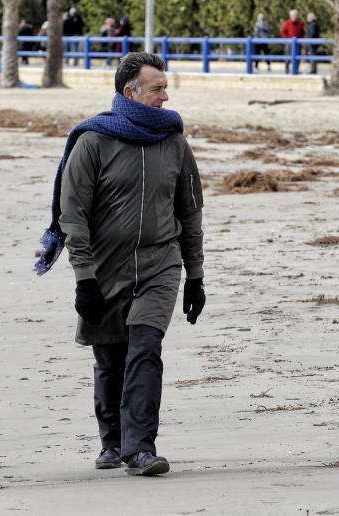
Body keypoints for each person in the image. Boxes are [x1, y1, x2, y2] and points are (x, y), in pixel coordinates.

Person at [34, 52, 206, 476]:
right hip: (103, 267)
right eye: (157, 88)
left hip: (160, 265)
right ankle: (112, 442)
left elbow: (190, 213)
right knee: (110, 359)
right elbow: (72, 215)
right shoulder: (93, 141)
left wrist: (195, 276)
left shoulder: (175, 142)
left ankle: (141, 448)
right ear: (130, 92)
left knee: (145, 349)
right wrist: (83, 279)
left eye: (166, 87)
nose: (166, 96)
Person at [280, 8, 305, 73]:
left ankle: (296, 69)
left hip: (297, 43)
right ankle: (287, 69)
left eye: (296, 15)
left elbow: (303, 32)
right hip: (289, 42)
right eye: (293, 15)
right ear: (290, 16)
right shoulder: (287, 23)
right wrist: (287, 39)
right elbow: (283, 32)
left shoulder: (300, 23)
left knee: (298, 56)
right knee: (288, 56)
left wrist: (301, 39)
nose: (295, 16)